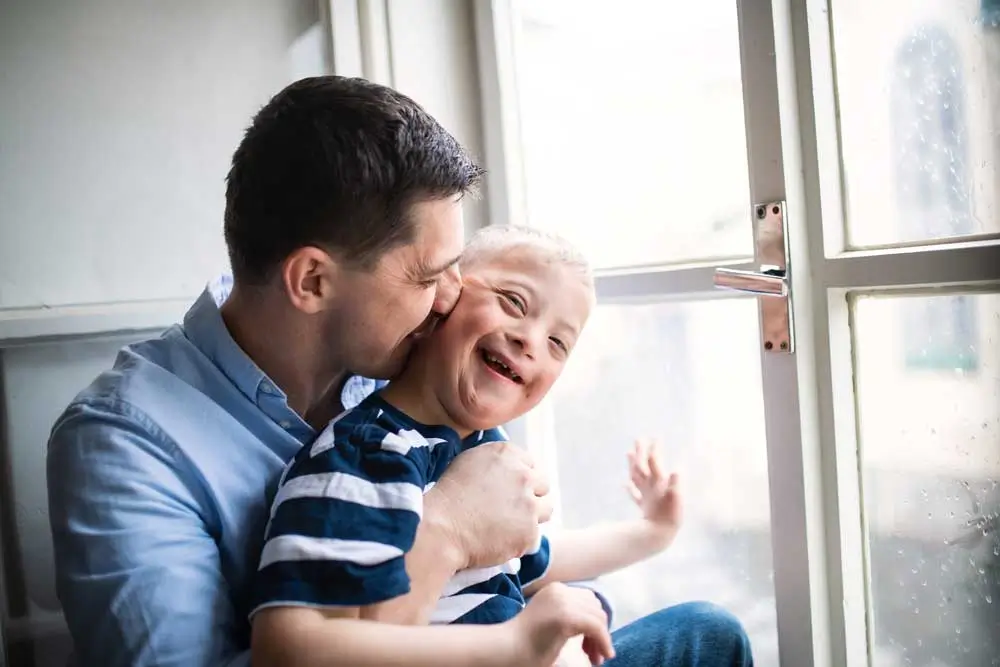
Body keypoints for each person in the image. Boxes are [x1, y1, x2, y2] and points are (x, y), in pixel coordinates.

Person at [46, 75, 752, 667]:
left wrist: (583, 574)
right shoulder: (123, 445)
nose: (451, 297)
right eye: (429, 275)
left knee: (708, 634)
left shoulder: (405, 373)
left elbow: (512, 565)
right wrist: (447, 534)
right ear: (313, 281)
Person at [250, 225, 691, 667]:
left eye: (558, 343)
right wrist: (519, 640)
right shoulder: (361, 457)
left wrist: (653, 532)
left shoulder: (483, 451)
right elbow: (315, 645)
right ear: (443, 299)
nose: (531, 340)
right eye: (513, 302)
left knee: (702, 629)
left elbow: (542, 558)